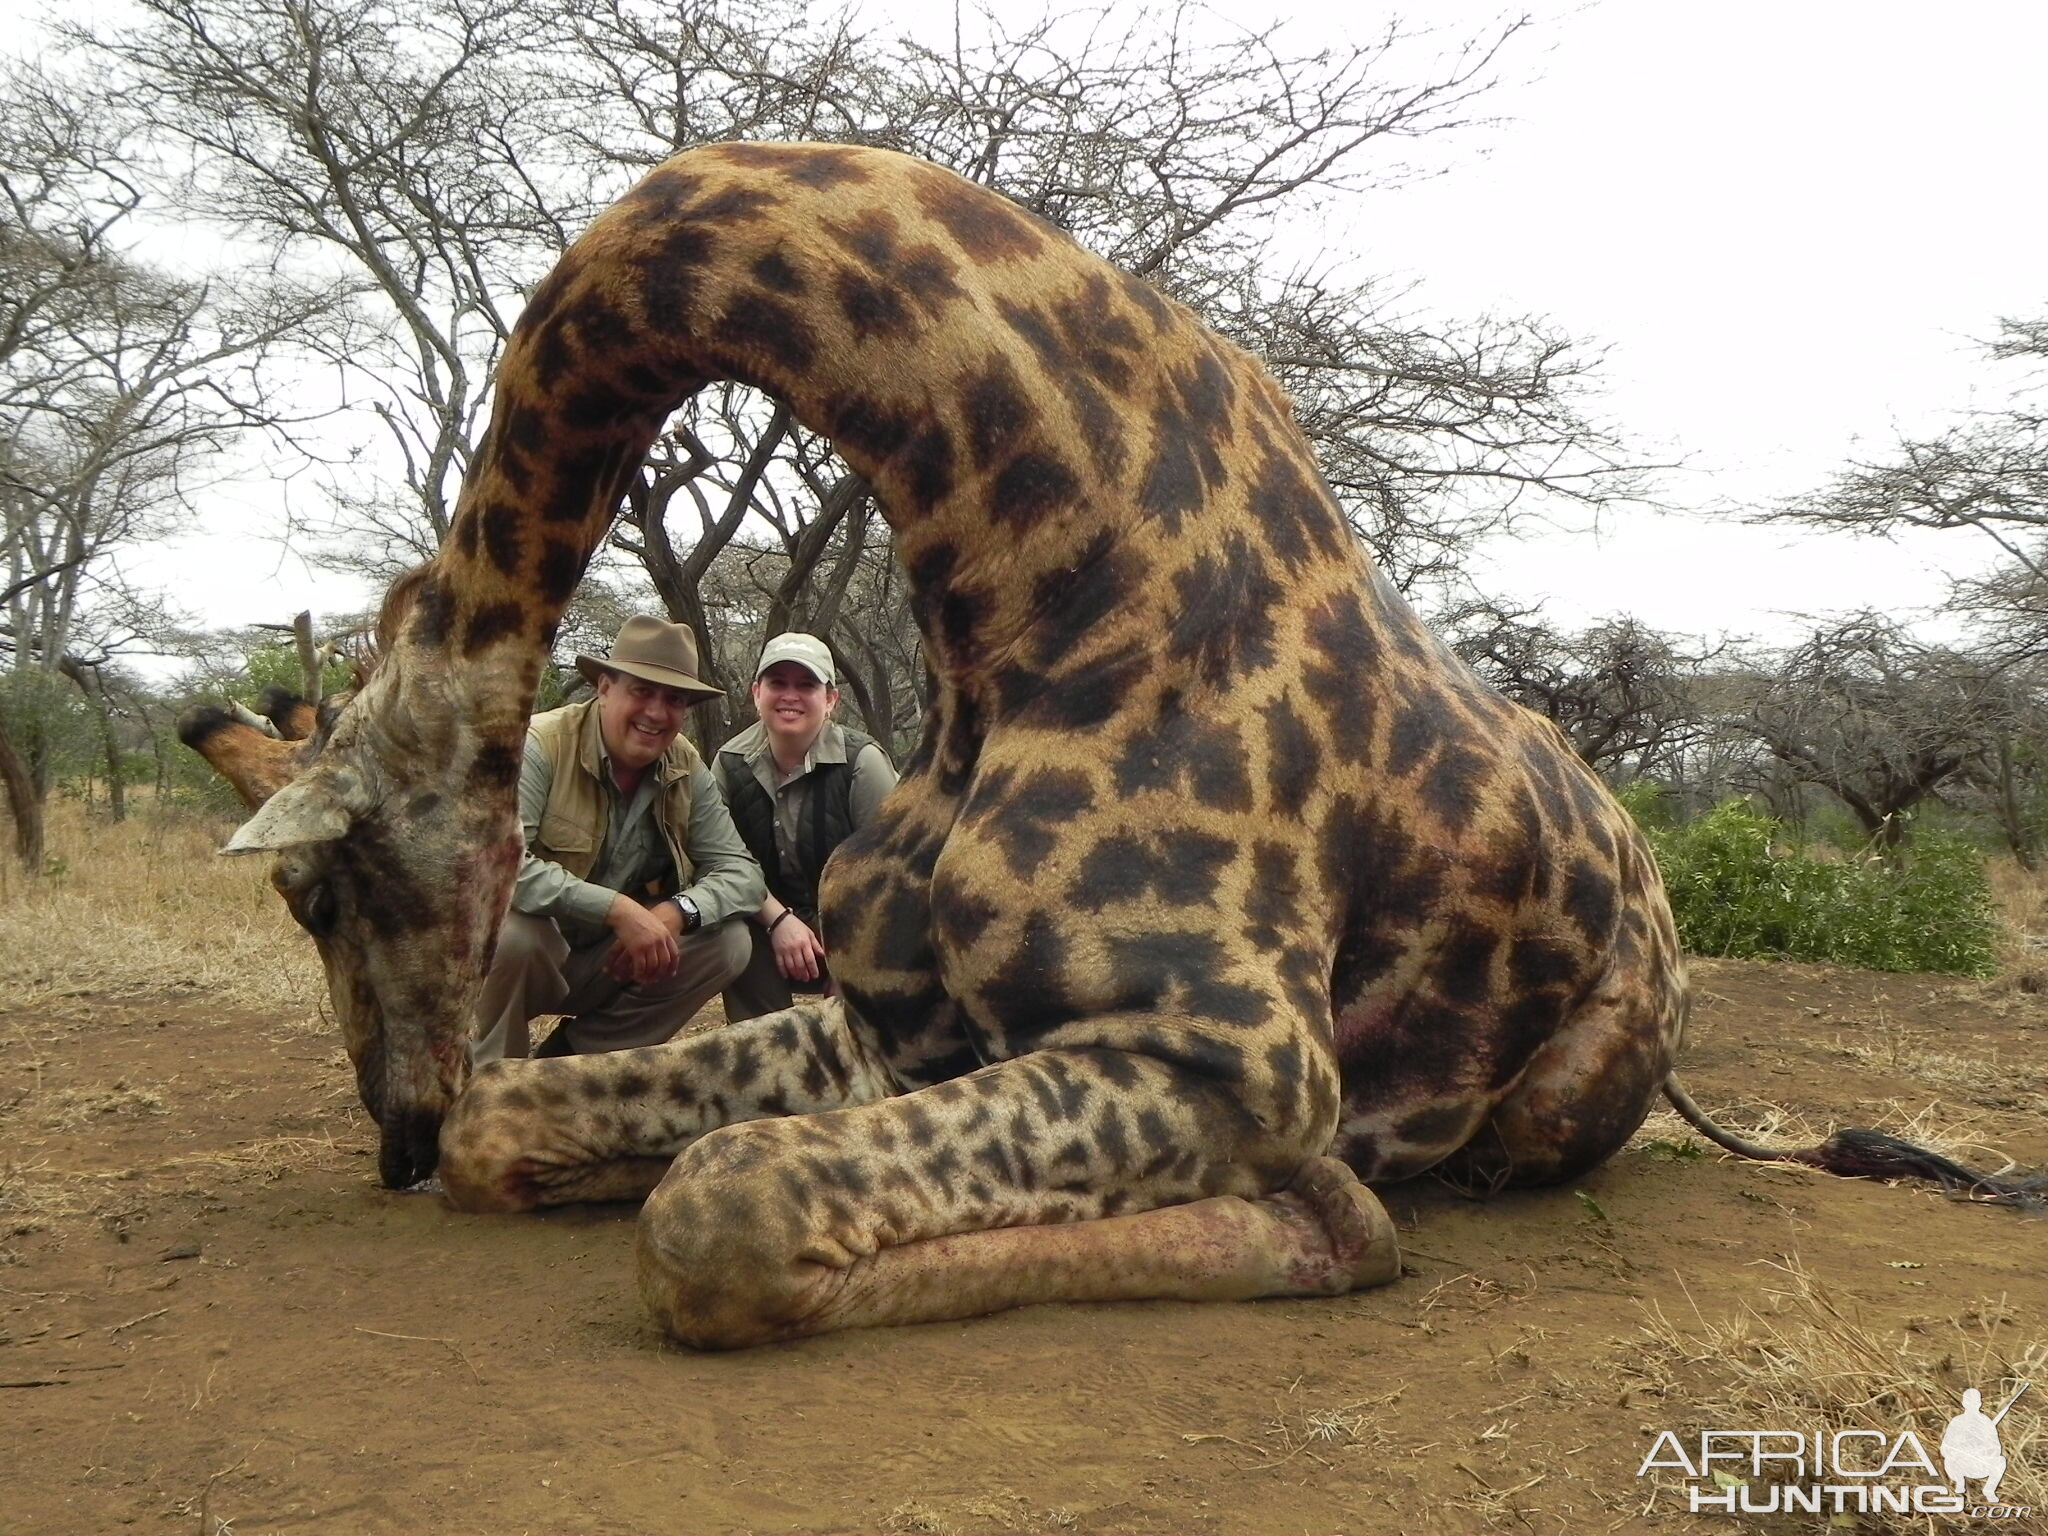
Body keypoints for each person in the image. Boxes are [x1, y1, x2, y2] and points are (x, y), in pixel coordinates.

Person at [469, 616, 764, 1063]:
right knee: (515, 934)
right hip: (534, 961)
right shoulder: (540, 745)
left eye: (674, 699)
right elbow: (502, 868)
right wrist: (618, 910)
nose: (656, 713)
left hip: (615, 960)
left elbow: (743, 873)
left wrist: (674, 914)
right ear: (604, 688)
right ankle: (495, 1087)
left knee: (729, 942)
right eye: (642, 691)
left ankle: (577, 1065)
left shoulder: (686, 765)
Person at [713, 632, 898, 1021]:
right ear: (756, 693)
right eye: (778, 683)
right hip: (768, 927)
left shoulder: (862, 763)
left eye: (806, 685)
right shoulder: (729, 764)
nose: (790, 696)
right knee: (729, 930)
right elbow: (721, 861)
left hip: (856, 930)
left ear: (831, 700)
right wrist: (779, 921)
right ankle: (762, 1054)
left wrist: (851, 962)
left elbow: (892, 876)